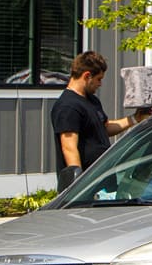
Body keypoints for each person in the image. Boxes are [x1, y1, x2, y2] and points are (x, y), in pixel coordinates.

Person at [51, 52, 141, 189]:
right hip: (87, 186)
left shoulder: (92, 101)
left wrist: (135, 118)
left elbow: (104, 128)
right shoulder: (68, 106)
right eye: (99, 79)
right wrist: (78, 184)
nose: (100, 84)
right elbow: (69, 147)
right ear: (87, 76)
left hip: (103, 179)